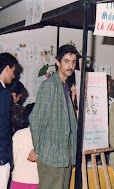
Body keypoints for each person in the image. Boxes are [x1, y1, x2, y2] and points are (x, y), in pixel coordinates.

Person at [29, 45, 78, 189]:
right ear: (58, 62)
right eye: (67, 61)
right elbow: (36, 119)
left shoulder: (65, 87)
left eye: (73, 62)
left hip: (64, 153)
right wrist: (38, 149)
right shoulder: (50, 85)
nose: (70, 66)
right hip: (51, 153)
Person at [0, 52, 18, 189]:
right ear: (7, 68)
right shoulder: (4, 93)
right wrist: (6, 159)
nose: (13, 76)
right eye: (13, 71)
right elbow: (3, 127)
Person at [11, 103, 38, 189]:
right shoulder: (45, 136)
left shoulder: (19, 134)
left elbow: (13, 159)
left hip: (19, 179)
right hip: (37, 180)